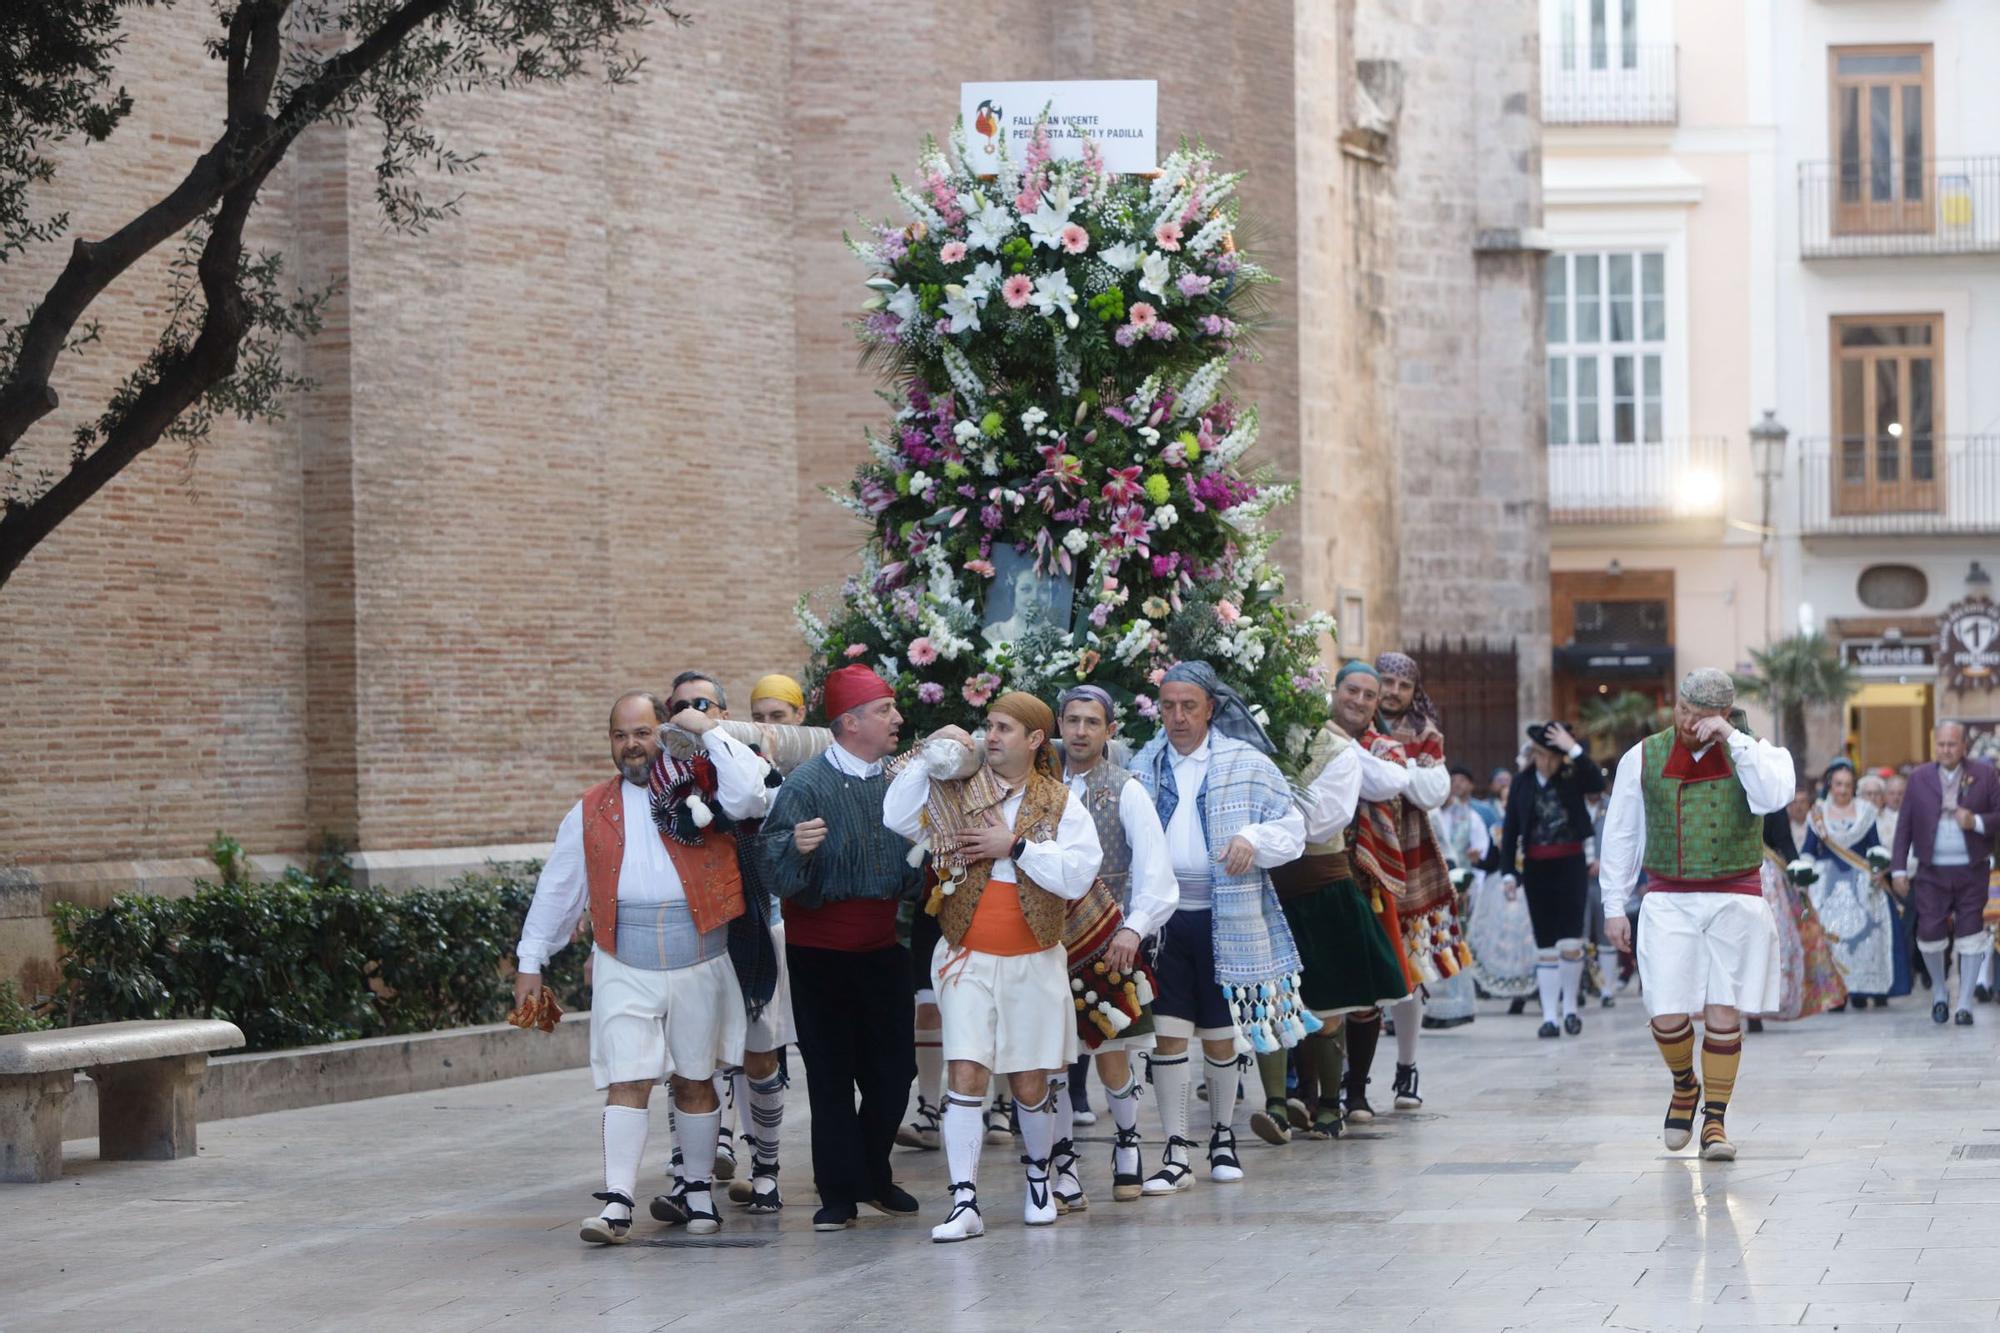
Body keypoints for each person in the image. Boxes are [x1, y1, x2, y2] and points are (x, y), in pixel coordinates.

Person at [513, 691, 768, 1244]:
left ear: (663, 733)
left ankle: (698, 1194)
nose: (632, 745)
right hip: (622, 959)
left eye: (643, 732)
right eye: (620, 735)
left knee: (695, 1079)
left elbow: (754, 794)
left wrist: (709, 732)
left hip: (700, 953)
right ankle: (618, 1203)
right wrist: (530, 960)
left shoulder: (706, 786)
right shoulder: (588, 809)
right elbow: (559, 889)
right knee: (627, 1078)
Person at [884, 691, 1103, 1242]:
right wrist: (931, 753)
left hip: (1033, 959)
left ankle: (1037, 1179)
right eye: (989, 725)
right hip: (966, 958)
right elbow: (895, 815)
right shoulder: (957, 791)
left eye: (1005, 728)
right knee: (966, 1069)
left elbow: (1078, 875)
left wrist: (1016, 846)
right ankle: (964, 1202)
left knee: (1030, 1079)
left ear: (1034, 740)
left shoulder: (1060, 801)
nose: (992, 736)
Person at [1129, 660, 1314, 1194]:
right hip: (1162, 922)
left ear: (1212, 708)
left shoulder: (1247, 762)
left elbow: (1293, 829)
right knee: (1166, 1038)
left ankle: (1223, 1139)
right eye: (1168, 706)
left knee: (1218, 1035)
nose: (1179, 717)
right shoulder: (1145, 764)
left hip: (1226, 917)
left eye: (1190, 706)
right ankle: (1175, 1150)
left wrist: (1253, 837)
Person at [1600, 669, 1795, 1162]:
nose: (1688, 721)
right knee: (1665, 1010)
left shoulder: (1757, 753)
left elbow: (1773, 798)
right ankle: (1685, 1084)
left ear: (1724, 715)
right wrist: (1613, 906)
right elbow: (1621, 834)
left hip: (1737, 896)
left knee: (1723, 1012)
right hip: (1668, 896)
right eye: (1683, 710)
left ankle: (1715, 1122)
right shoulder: (1642, 756)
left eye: (1700, 715)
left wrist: (1734, 740)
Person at [758, 664, 924, 1233]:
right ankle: (839, 1192)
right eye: (885, 710)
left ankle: (873, 1173)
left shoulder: (900, 784)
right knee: (830, 1077)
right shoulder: (804, 786)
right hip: (819, 956)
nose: (897, 719)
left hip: (882, 949)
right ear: (850, 723)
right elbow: (770, 867)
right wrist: (797, 849)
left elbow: (917, 867)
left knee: (895, 1072)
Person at [1263, 665, 1417, 1142]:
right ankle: (1286, 1102)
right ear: (1330, 693)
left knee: (1335, 1000)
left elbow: (1329, 816)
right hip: (1276, 882)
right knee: (1278, 999)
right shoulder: (1284, 739)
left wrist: (1272, 822)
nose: (1361, 699)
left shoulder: (1351, 753)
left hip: (1331, 880)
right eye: (1352, 690)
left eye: (1370, 695)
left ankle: (1336, 1101)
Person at [655, 671, 790, 1216]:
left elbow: (744, 800)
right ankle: (692, 1174)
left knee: (759, 1058)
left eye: (703, 704)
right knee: (690, 1060)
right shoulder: (659, 775)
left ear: (723, 711)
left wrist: (711, 733)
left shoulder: (747, 757)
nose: (690, 712)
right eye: (681, 707)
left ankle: (766, 1171)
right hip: (690, 934)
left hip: (752, 926)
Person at [1047, 684, 1177, 1206]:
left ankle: (1127, 1145)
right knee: (1052, 1059)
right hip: (1045, 942)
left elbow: (1156, 871)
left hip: (1107, 940)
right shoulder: (1037, 785)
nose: (1080, 731)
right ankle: (1063, 1166)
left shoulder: (1125, 789)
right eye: (1072, 720)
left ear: (1110, 730)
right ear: (1058, 724)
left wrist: (1133, 928)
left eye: (1091, 722)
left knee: (1112, 1056)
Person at [1365, 650, 1464, 1105]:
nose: (1393, 692)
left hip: (1406, 852)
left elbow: (1432, 792)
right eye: (1386, 681)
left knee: (1409, 966)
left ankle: (1407, 1069)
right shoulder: (1352, 725)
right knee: (1360, 966)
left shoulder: (1425, 734)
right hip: (1358, 847)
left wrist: (1389, 769)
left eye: (1403, 685)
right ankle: (1353, 1078)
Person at [1495, 721, 1606, 1037]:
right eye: (1541, 754)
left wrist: (1573, 747)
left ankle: (1570, 1008)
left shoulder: (1572, 777)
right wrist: (1508, 872)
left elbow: (1596, 780)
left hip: (1571, 864)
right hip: (1536, 866)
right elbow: (1512, 826)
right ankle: (1548, 1016)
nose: (1546, 761)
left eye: (1553, 755)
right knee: (1545, 942)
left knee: (1571, 939)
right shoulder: (1522, 782)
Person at [1889, 722, 2000, 1026]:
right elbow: (1905, 826)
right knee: (1929, 932)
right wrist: (1898, 867)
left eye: (1952, 744)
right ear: (1934, 746)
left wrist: (1975, 821)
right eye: (1941, 744)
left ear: (1964, 746)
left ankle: (1964, 1004)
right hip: (1931, 871)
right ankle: (1940, 991)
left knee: (1971, 934)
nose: (1946, 750)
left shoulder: (1985, 774)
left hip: (1972, 870)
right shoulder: (1919, 777)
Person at [1802, 759, 1908, 1009]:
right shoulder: (1817, 814)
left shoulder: (1866, 812)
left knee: (1870, 935)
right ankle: (1837, 994)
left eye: (1847, 785)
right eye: (1838, 784)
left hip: (1862, 883)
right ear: (1830, 785)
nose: (1842, 790)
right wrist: (1804, 874)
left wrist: (1878, 866)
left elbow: (1875, 846)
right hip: (1828, 886)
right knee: (1832, 939)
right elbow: (1808, 850)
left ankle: (1867, 990)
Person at [1425, 767, 1489, 1029]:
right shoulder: (1430, 809)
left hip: (1448, 884)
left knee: (1447, 942)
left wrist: (1465, 885)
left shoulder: (1469, 816)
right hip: (1420, 882)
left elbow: (1457, 851)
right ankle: (1420, 1009)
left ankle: (1456, 1007)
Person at [1878, 772, 1907, 849]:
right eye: (1892, 793)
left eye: (1900, 793)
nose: (1896, 797)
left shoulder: (1915, 818)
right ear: (1884, 795)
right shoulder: (1876, 819)